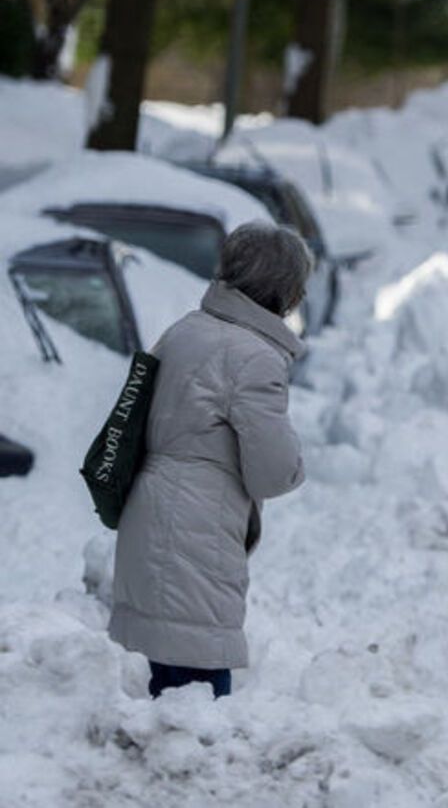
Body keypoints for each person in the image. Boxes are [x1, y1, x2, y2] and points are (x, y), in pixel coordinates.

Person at [108, 222, 312, 699]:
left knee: (166, 690)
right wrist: (297, 463)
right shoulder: (255, 358)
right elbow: (273, 473)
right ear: (284, 290)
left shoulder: (186, 329)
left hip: (150, 512)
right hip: (196, 531)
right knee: (199, 700)